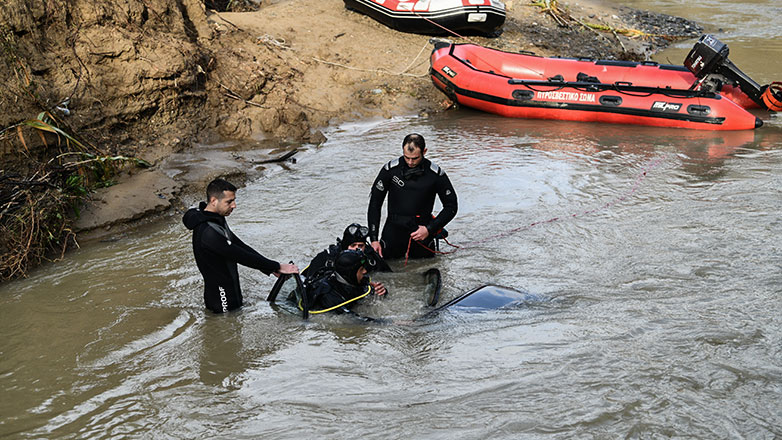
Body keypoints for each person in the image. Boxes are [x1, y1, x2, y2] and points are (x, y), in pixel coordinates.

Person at [183, 178, 298, 313]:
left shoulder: (214, 220)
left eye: (234, 200)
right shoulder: (209, 233)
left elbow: (239, 245)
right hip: (221, 301)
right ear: (214, 201)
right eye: (229, 202)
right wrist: (276, 266)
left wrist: (269, 268)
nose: (234, 205)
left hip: (230, 291)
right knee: (226, 326)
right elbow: (240, 256)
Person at [368, 133, 458, 259]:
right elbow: (374, 204)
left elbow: (451, 206)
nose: (410, 162)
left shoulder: (435, 174)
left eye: (415, 158)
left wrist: (429, 229)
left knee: (423, 270)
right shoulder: (390, 170)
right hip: (393, 232)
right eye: (407, 157)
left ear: (424, 151)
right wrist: (373, 239)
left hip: (422, 233)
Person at [301, 223, 390, 297]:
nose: (356, 249)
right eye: (353, 245)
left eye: (360, 246)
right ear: (344, 246)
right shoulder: (327, 258)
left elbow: (390, 275)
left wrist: (381, 290)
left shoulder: (370, 257)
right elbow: (309, 284)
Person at [304, 249, 378, 315]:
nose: (365, 271)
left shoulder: (352, 281)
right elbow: (352, 320)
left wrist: (379, 291)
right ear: (350, 273)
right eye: (361, 269)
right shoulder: (329, 296)